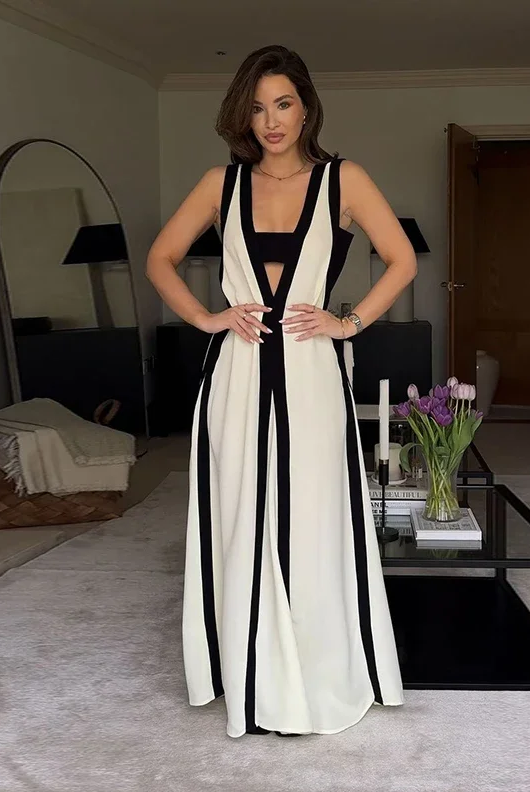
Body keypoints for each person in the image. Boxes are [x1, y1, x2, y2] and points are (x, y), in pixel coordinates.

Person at [146, 44, 417, 738]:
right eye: (258, 107)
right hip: (236, 371)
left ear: (306, 108)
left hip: (311, 368)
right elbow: (160, 258)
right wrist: (206, 318)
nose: (271, 120)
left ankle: (316, 673)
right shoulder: (220, 184)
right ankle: (253, 675)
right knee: (241, 513)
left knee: (314, 513)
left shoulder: (344, 180)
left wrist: (348, 323)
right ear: (243, 115)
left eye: (284, 104)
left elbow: (401, 259)